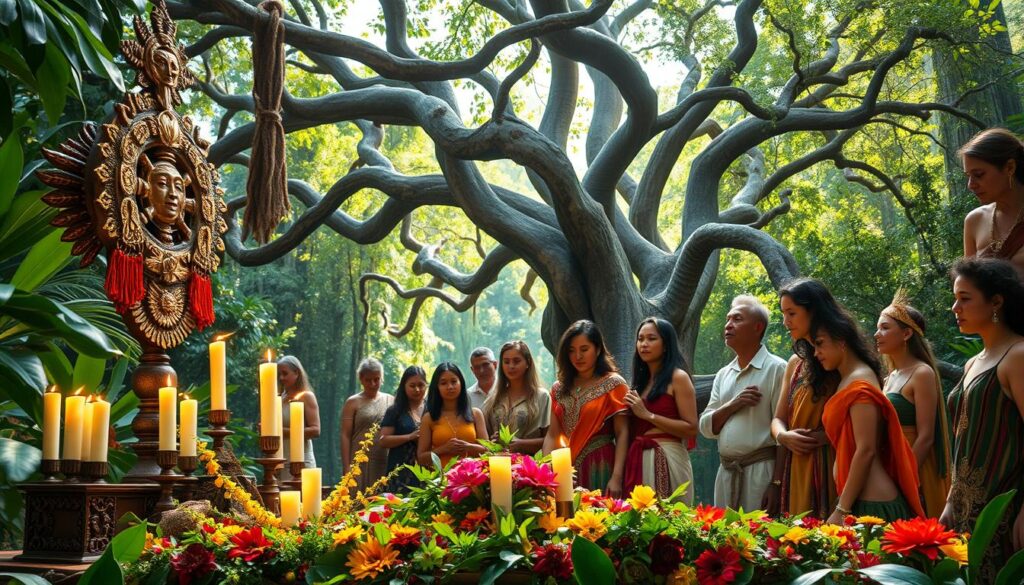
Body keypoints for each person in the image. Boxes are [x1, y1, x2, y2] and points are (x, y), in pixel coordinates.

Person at [941, 258, 1024, 581]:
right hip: (964, 511)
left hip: (1005, 510)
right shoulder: (971, 363)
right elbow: (962, 440)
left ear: (996, 302)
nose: (954, 307)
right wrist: (950, 500)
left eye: (965, 298)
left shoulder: (1017, 355)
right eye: (954, 298)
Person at [815, 299, 925, 523]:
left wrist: (842, 509)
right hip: (857, 498)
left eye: (820, 344)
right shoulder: (855, 379)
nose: (816, 353)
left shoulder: (862, 381)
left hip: (873, 506)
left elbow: (866, 450)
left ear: (841, 342)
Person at [700, 296, 786, 511]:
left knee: (758, 540)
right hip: (726, 471)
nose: (728, 325)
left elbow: (784, 431)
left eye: (737, 319)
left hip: (762, 471)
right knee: (724, 540)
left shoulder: (777, 369)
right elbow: (706, 427)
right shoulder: (723, 374)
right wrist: (733, 404)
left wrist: (776, 483)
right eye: (728, 319)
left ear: (758, 327)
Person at [875, 291, 952, 518]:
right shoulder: (889, 378)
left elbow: (926, 436)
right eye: (878, 328)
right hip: (888, 463)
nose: (876, 334)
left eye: (885, 328)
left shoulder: (922, 373)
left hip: (915, 466)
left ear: (907, 333)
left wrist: (904, 477)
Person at [768, 278, 841, 518]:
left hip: (831, 462)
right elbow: (778, 419)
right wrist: (784, 436)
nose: (785, 321)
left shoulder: (839, 358)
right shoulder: (795, 364)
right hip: (795, 463)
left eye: (792, 313)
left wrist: (825, 436)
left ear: (814, 312)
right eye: (783, 313)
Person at [542, 320, 630, 497]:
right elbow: (553, 434)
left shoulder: (614, 383)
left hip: (600, 463)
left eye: (584, 349)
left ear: (597, 350)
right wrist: (548, 470)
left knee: (599, 519)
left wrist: (617, 477)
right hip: (565, 468)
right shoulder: (558, 388)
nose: (578, 356)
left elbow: (623, 433)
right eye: (571, 351)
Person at [623, 317, 698, 503]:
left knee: (669, 524)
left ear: (666, 344)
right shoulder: (639, 384)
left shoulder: (678, 378)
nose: (644, 344)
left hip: (668, 456)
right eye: (640, 339)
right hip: (637, 459)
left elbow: (691, 428)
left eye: (651, 338)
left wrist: (648, 415)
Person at [960, 128, 1024, 276]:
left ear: (1010, 167)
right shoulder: (974, 220)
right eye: (968, 176)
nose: (970, 184)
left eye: (978, 175)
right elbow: (969, 287)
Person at [482, 341, 551, 454]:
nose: (511, 366)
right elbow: (486, 438)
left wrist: (520, 444)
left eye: (517, 361)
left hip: (530, 466)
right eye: (506, 362)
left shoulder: (541, 396)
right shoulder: (494, 398)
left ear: (528, 362)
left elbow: (551, 438)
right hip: (499, 465)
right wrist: (493, 440)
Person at [417, 362, 488, 468]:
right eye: (443, 383)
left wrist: (468, 447)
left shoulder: (476, 414)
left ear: (461, 383)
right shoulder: (429, 418)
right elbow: (421, 458)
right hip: (441, 480)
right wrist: (444, 449)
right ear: (437, 387)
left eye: (454, 382)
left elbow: (488, 450)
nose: (450, 387)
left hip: (472, 479)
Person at [340, 358, 394, 491]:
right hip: (358, 462)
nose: (373, 384)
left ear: (381, 378)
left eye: (376, 379)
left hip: (383, 459)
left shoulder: (391, 400)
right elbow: (345, 435)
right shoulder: (352, 403)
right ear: (361, 379)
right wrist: (347, 466)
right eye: (368, 380)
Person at [379, 366, 428, 491]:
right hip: (399, 471)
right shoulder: (395, 410)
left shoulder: (433, 409)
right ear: (404, 386)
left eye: (421, 385)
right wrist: (409, 437)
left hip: (427, 472)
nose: (417, 389)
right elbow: (383, 440)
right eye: (412, 386)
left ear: (426, 385)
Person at [278, 355, 321, 480]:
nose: (281, 378)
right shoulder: (278, 398)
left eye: (285, 373)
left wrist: (283, 432)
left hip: (302, 462)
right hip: (280, 462)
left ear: (296, 373)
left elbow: (316, 430)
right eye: (279, 374)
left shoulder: (307, 397)